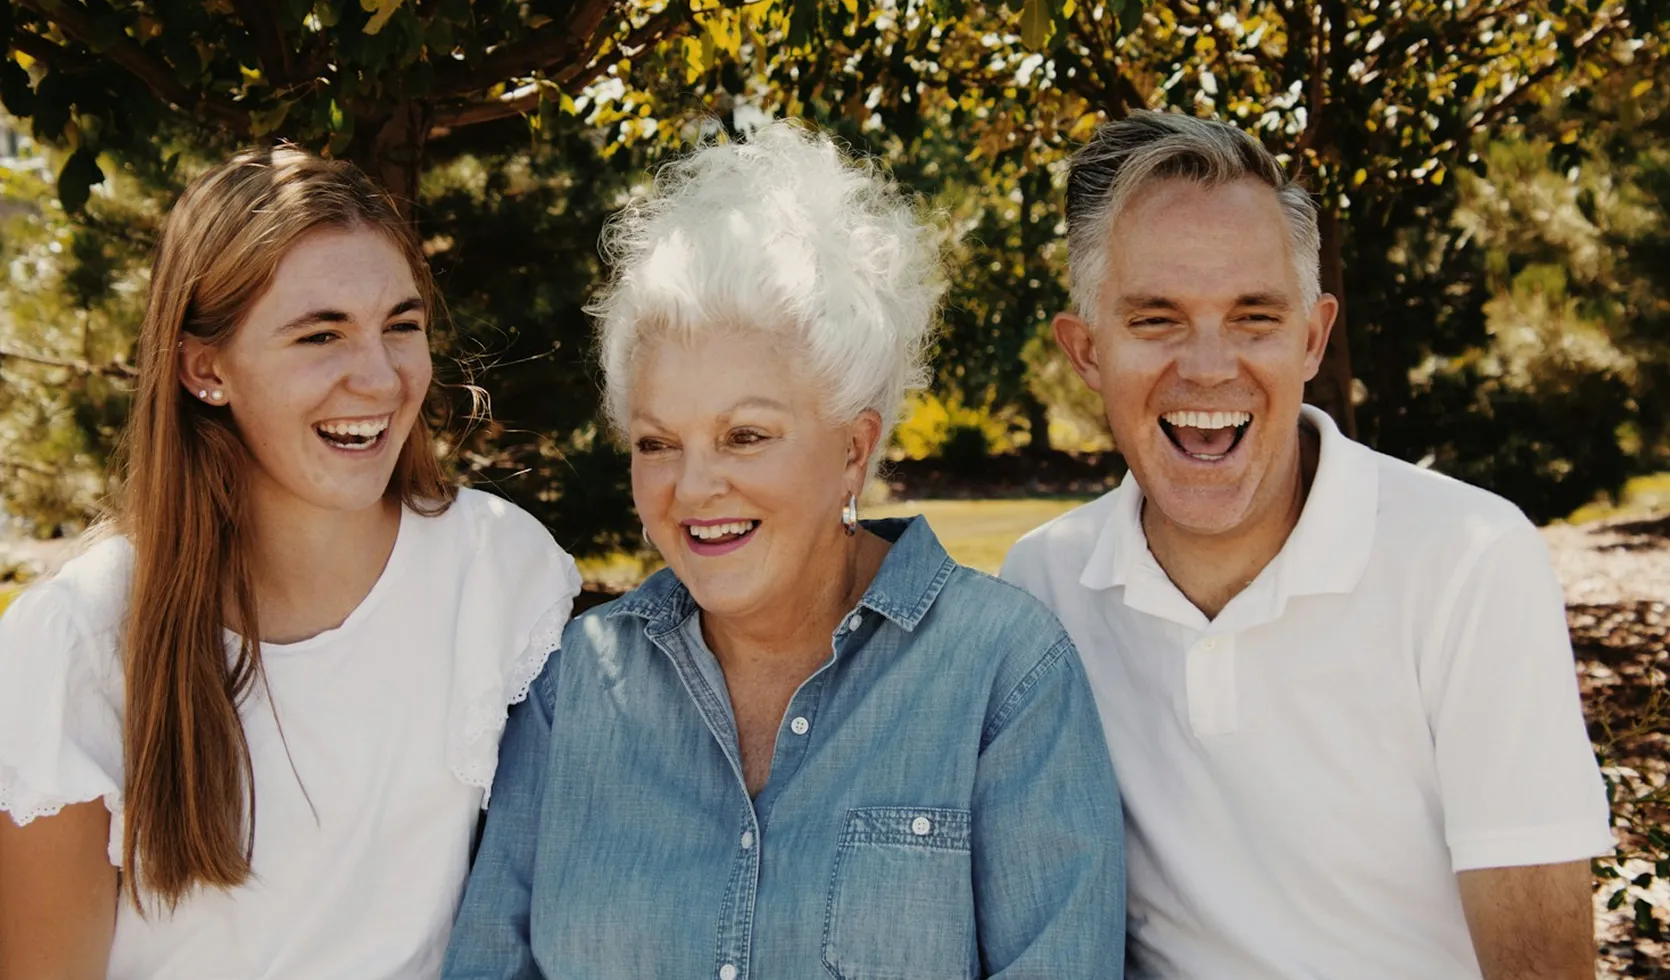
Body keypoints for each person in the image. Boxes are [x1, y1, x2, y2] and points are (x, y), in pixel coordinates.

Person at [443, 121, 1125, 979]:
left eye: (745, 435)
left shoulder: (1004, 678)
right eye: (657, 443)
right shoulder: (570, 690)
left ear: (853, 448)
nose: (692, 489)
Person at [1002, 110, 1614, 979]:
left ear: (1313, 338)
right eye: (1156, 320)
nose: (1210, 366)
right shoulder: (1045, 585)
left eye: (1254, 316)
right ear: (1086, 349)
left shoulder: (1470, 561)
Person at [0, 146, 581, 979]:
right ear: (206, 370)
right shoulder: (80, 640)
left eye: (402, 327)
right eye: (321, 334)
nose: (378, 378)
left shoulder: (499, 571)